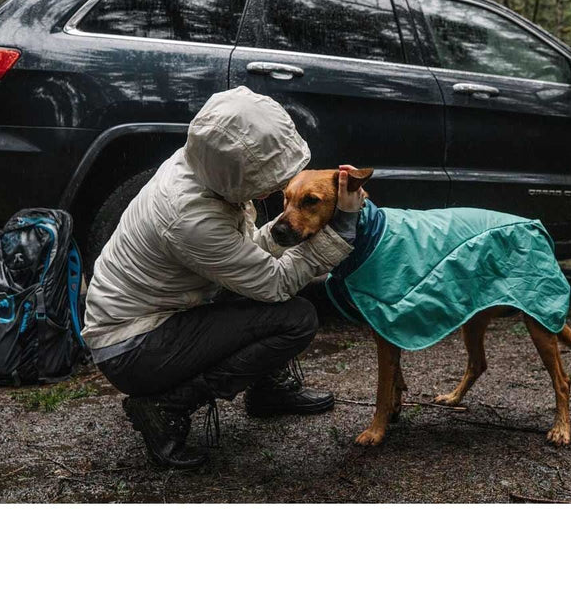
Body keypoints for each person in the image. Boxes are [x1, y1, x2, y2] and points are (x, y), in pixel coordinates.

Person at [82, 86, 364, 469]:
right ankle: (164, 407)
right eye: (267, 174)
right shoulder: (188, 217)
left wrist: (281, 234)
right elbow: (276, 284)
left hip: (157, 319)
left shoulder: (202, 167)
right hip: (133, 347)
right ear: (236, 168)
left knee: (249, 294)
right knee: (295, 318)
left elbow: (244, 259)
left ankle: (267, 391)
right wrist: (342, 226)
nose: (277, 182)